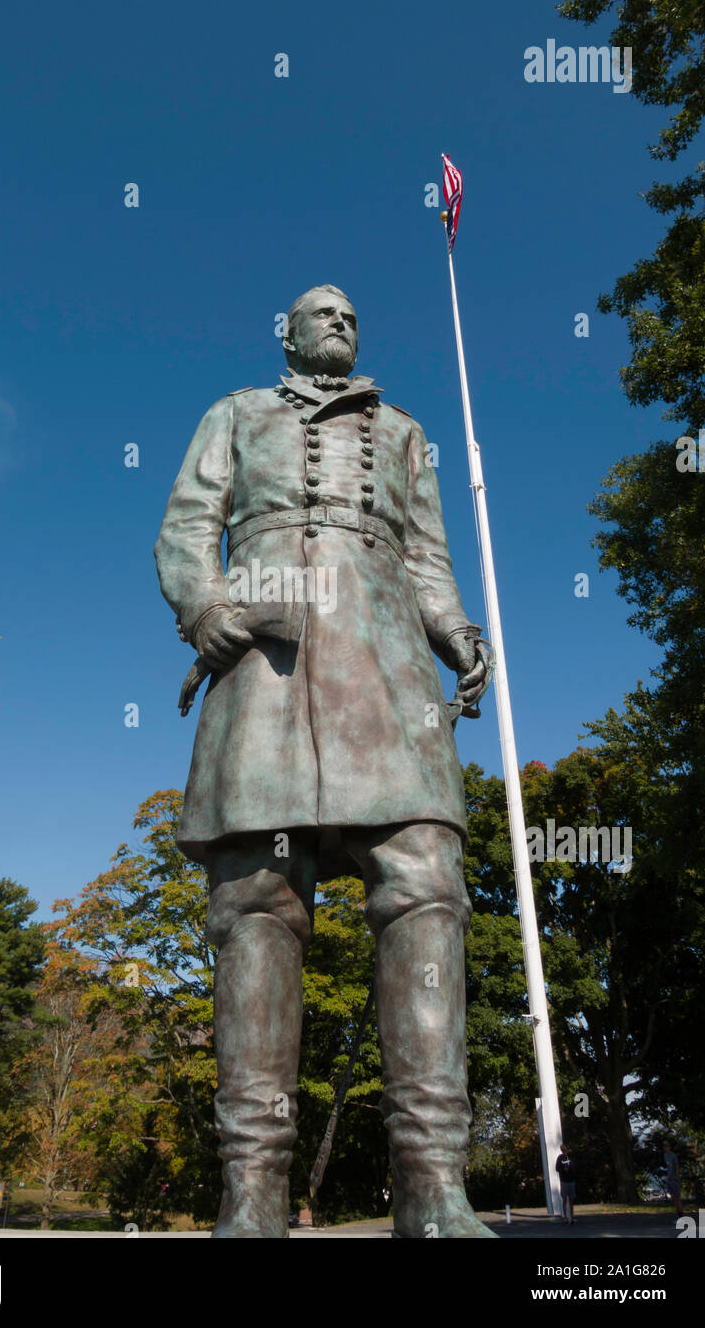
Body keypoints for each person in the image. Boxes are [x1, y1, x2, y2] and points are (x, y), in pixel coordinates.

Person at [155, 284, 492, 1239]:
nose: (340, 321)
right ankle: (253, 1194)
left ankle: (432, 1188)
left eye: (351, 313)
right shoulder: (236, 414)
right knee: (258, 897)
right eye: (320, 312)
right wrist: (208, 609)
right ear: (288, 333)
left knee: (426, 883)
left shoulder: (407, 433)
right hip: (266, 664)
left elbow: (428, 557)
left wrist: (458, 635)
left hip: (388, 670)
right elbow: (186, 530)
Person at [555, 1143, 576, 1224]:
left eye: (565, 1149)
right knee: (564, 1199)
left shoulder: (570, 1157)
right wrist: (563, 1169)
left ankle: (572, 1217)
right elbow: (557, 1168)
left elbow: (574, 1167)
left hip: (571, 1180)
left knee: (571, 1200)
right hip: (564, 1181)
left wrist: (569, 1170)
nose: (564, 1151)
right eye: (563, 1150)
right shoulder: (560, 1158)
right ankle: (565, 1217)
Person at [663, 1139, 683, 1215]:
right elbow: (668, 1167)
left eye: (667, 1146)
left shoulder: (673, 1156)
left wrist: (677, 1177)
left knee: (677, 1197)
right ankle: (678, 1211)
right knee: (673, 1197)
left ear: (669, 1147)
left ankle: (681, 1213)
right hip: (669, 1178)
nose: (665, 1148)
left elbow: (677, 1166)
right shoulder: (665, 1155)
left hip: (675, 1178)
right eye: (664, 1146)